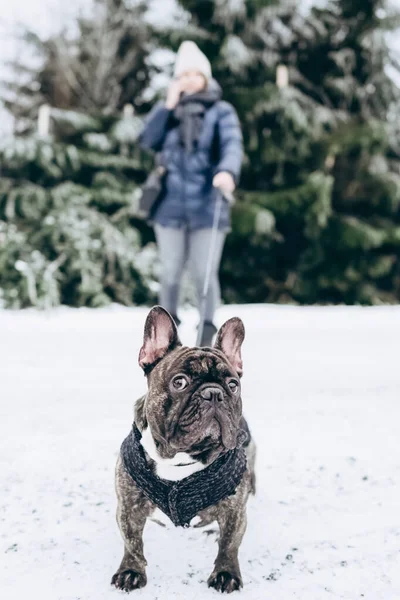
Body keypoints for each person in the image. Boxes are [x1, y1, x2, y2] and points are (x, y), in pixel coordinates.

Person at [139, 41, 243, 346]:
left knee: (204, 273)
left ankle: (208, 337)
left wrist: (227, 171)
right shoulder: (168, 113)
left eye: (194, 73)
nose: (188, 79)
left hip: (208, 204)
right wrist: (167, 107)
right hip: (169, 206)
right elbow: (146, 140)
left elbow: (232, 145)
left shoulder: (221, 111)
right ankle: (164, 338)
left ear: (206, 77)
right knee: (170, 273)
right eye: (182, 74)